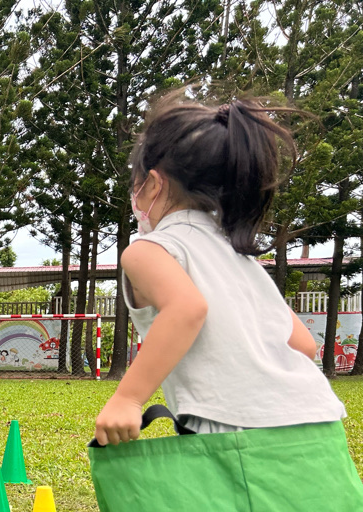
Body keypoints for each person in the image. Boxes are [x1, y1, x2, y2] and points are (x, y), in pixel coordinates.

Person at [94, 90, 344, 445]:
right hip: (320, 425)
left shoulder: (148, 250)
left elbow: (187, 309)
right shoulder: (239, 257)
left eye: (134, 183)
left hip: (235, 433)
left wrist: (128, 399)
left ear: (153, 183)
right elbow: (303, 345)